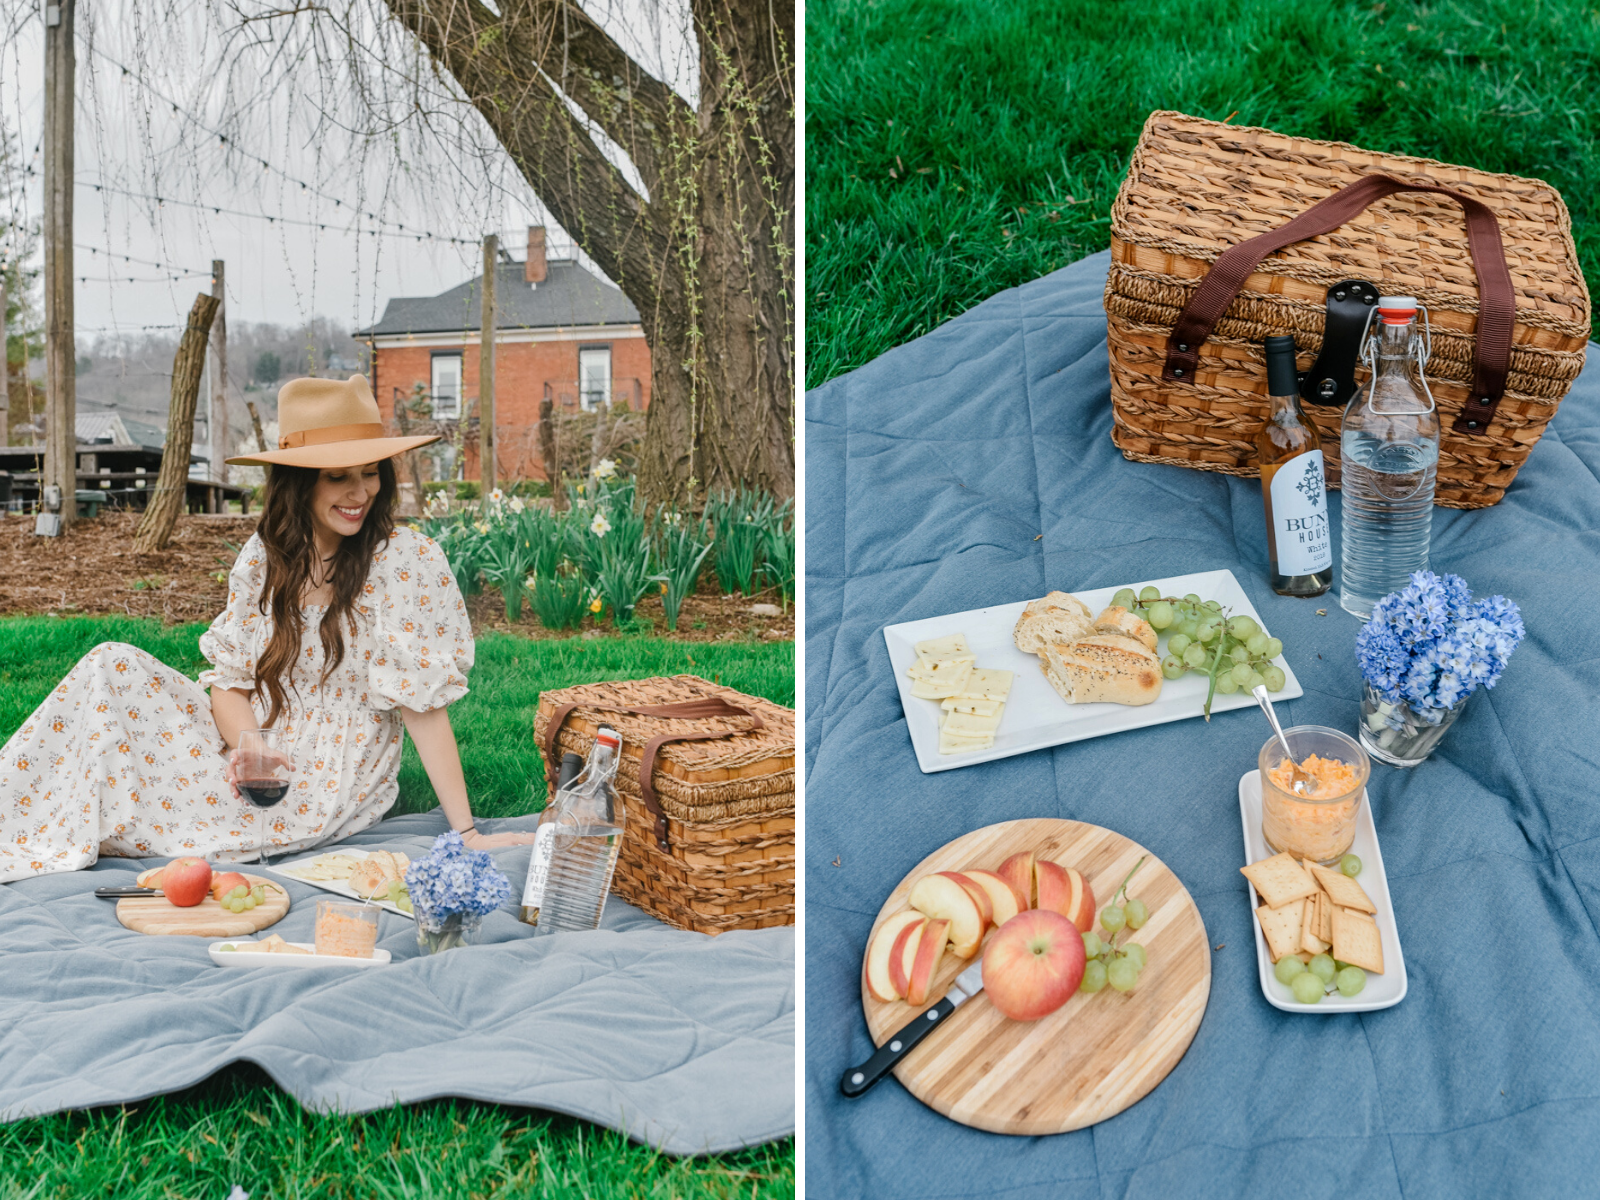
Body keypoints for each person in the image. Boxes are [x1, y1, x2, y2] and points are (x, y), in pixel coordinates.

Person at [0, 374, 534, 883]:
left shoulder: (405, 560)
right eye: (337, 475)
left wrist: (465, 832)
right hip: (256, 743)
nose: (360, 492)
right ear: (298, 483)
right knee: (110, 662)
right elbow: (230, 681)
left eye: (370, 472)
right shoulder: (266, 555)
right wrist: (248, 751)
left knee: (154, 808)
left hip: (332, 773)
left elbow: (424, 707)